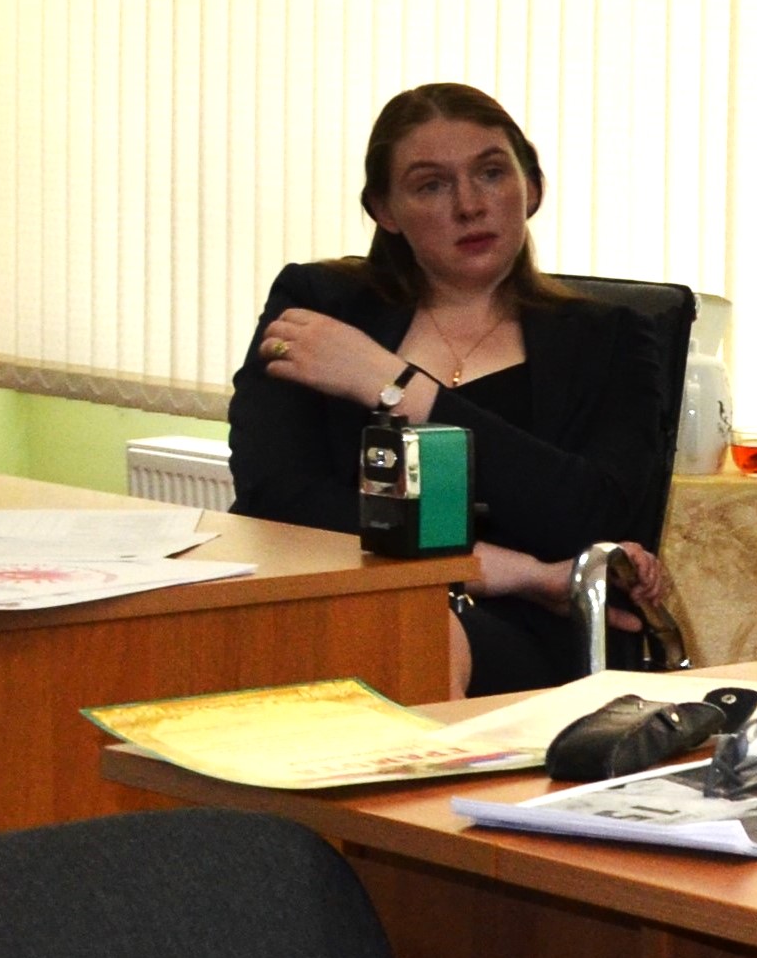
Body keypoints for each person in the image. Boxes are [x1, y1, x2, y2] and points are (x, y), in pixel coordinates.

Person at [230, 82, 675, 696]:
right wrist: (509, 569)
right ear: (385, 209)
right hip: (345, 593)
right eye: (431, 185)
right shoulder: (319, 306)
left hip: (539, 631)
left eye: (491, 173)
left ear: (532, 188)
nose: (470, 205)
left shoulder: (612, 339)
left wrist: (395, 385)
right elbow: (273, 497)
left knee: (416, 635)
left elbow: (594, 515)